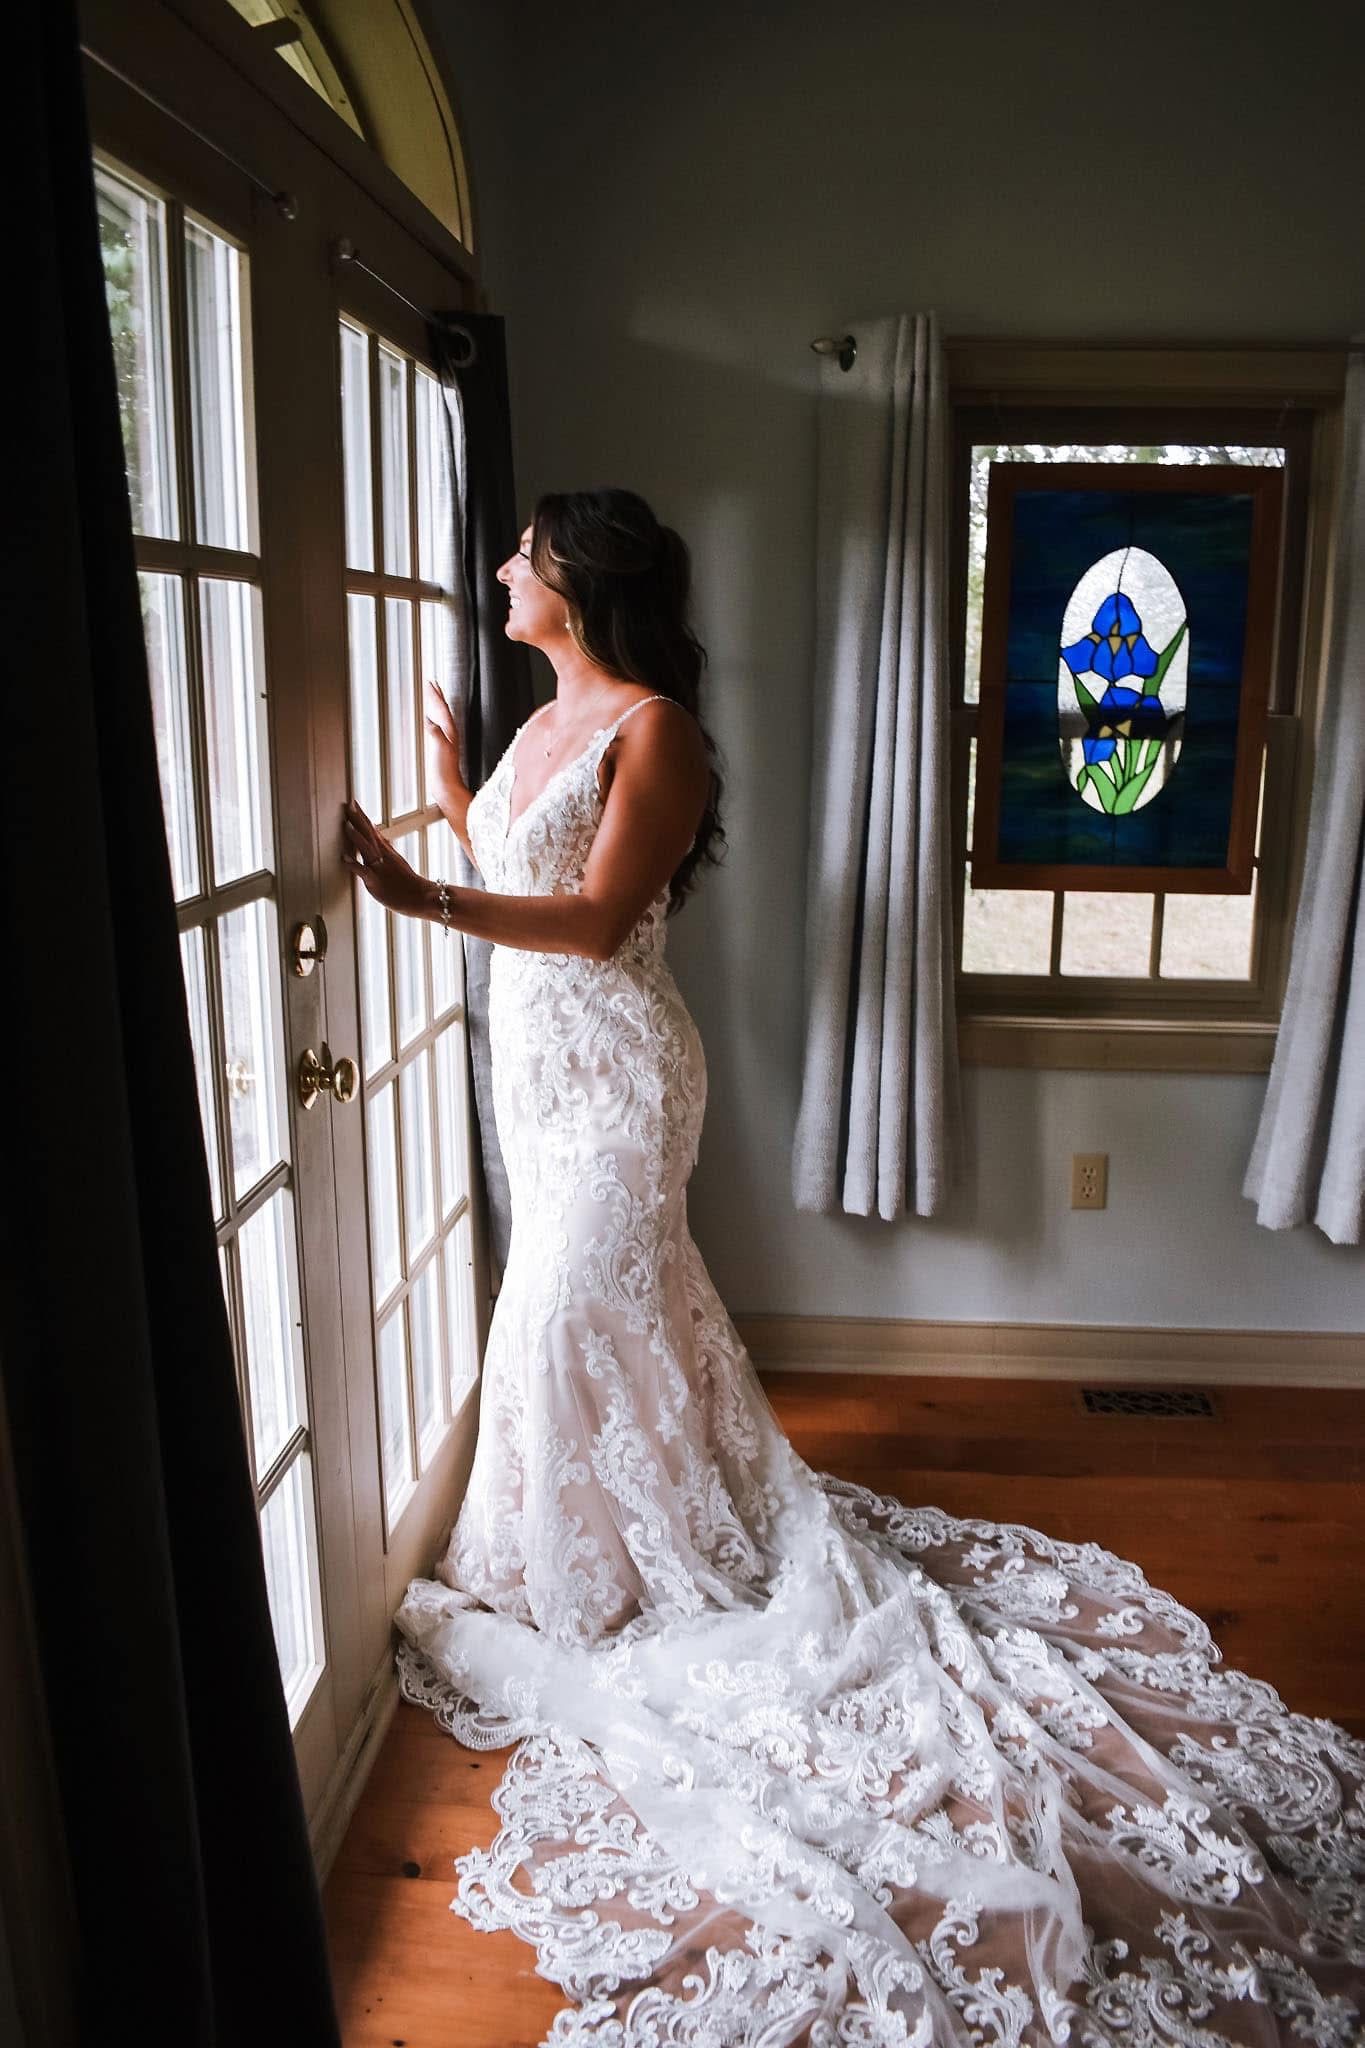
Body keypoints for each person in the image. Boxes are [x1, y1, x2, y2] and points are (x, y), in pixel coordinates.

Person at [341, 488, 1361, 2048]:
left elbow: (601, 914)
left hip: (615, 1073)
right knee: (581, 1309)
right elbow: (517, 839)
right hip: (529, 1073)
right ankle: (604, 1534)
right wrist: (437, 786)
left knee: (574, 1304)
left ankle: (630, 1557)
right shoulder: (543, 714)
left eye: (522, 555)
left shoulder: (657, 728)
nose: (499, 571)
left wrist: (422, 897)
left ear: (581, 581)